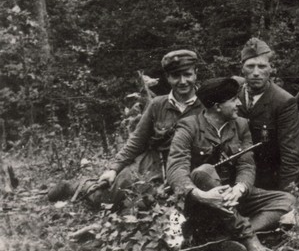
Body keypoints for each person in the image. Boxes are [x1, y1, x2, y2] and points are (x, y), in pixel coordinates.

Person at [48, 50, 204, 204]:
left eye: (188, 75)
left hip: (191, 164)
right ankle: (75, 186)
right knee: (111, 197)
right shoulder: (158, 105)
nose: (183, 81)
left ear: (196, 73)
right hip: (154, 163)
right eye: (176, 76)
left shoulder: (207, 104)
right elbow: (137, 140)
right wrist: (113, 169)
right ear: (168, 77)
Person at [167, 77, 295, 251]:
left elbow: (246, 164)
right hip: (202, 202)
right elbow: (176, 168)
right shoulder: (189, 126)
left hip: (232, 197)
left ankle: (227, 238)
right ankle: (250, 240)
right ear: (218, 106)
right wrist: (201, 195)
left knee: (287, 200)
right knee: (203, 172)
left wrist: (240, 188)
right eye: (234, 99)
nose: (239, 103)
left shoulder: (241, 125)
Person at [237, 38, 299, 191]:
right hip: (238, 178)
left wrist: (286, 193)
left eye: (261, 66)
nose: (256, 73)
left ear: (271, 68)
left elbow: (291, 155)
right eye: (250, 66)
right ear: (242, 68)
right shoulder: (233, 95)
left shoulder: (284, 101)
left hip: (269, 181)